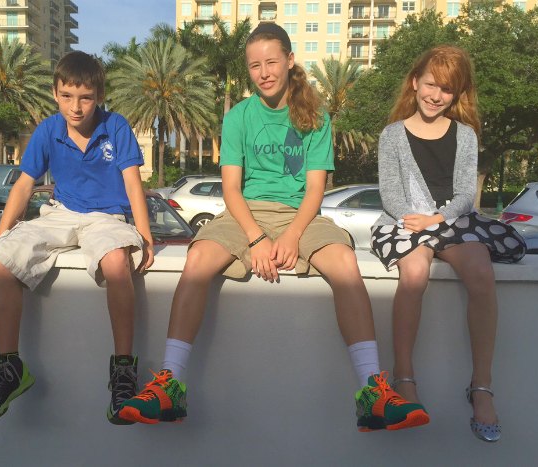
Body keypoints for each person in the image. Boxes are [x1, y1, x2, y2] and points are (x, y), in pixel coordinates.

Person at [118, 23, 429, 432]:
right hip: (245, 214)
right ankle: (170, 384)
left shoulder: (315, 116)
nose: (264, 72)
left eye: (271, 62)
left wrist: (292, 235)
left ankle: (373, 391)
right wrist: (257, 238)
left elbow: (315, 189)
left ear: (289, 61)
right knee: (197, 261)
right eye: (254, 65)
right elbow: (231, 189)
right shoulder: (238, 117)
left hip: (300, 215)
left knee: (345, 265)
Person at [0, 51, 154, 425]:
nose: (76, 107)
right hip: (60, 213)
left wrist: (145, 237)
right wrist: (0, 235)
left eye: (85, 97)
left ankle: (123, 373)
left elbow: (134, 184)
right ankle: (9, 369)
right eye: (67, 96)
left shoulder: (116, 127)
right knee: (3, 261)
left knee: (117, 263)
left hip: (107, 217)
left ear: (99, 96)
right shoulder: (48, 130)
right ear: (55, 93)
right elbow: (24, 185)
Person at [370, 45, 526, 442]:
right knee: (414, 272)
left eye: (446, 89)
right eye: (430, 84)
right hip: (405, 221)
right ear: (414, 82)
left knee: (480, 271)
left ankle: (481, 386)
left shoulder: (465, 135)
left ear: (457, 94)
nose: (436, 95)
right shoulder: (392, 135)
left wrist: (436, 220)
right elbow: (390, 194)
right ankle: (404, 379)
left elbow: (464, 195)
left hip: (451, 221)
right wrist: (416, 221)